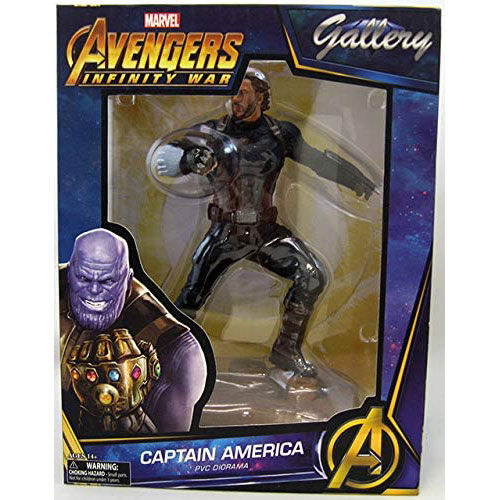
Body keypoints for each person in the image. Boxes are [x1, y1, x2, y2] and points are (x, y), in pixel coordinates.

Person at [150, 68, 375, 377]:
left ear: (260, 96)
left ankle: (286, 351)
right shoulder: (211, 132)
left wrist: (358, 181)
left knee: (312, 276)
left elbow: (318, 161)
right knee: (190, 297)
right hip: (224, 233)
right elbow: (162, 156)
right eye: (232, 92)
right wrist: (187, 160)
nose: (235, 99)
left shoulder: (281, 134)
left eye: (242, 92)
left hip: (265, 233)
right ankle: (164, 358)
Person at [59, 228, 207, 435]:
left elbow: (166, 448)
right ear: (69, 272)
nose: (94, 290)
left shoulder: (175, 350)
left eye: (107, 281)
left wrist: (129, 417)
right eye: (83, 278)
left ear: (128, 279)